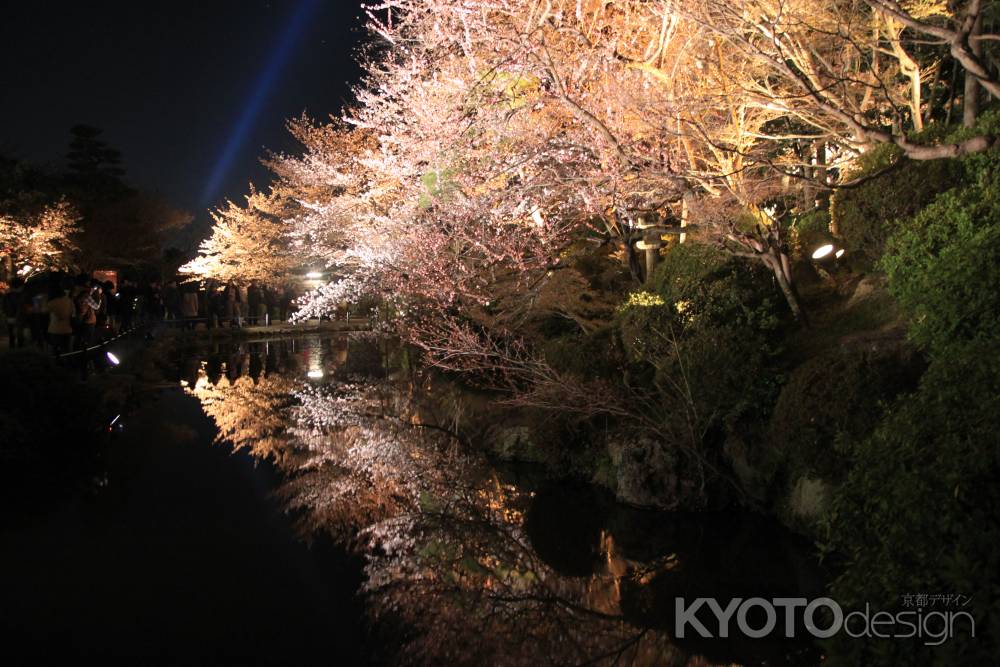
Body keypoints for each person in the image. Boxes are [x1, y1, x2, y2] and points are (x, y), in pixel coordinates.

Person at [46, 283, 75, 356]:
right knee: (66, 351)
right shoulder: (69, 300)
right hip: (68, 329)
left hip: (54, 329)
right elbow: (73, 313)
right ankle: (67, 365)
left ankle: (55, 365)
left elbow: (44, 311)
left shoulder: (51, 302)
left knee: (54, 352)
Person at [3, 278, 26, 349]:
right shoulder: (23, 295)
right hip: (20, 317)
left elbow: (4, 307)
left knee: (11, 335)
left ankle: (12, 349)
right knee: (20, 335)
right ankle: (20, 350)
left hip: (10, 317)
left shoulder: (7, 296)